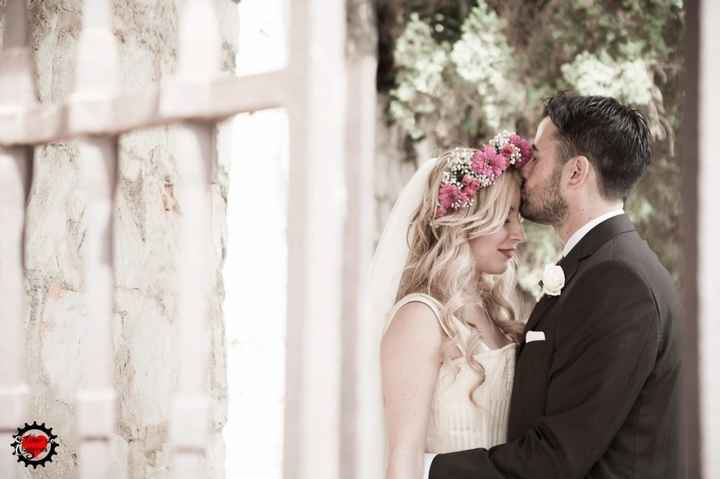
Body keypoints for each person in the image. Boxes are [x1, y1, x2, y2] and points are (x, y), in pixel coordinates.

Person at [424, 95, 682, 478]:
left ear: (576, 172)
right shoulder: (601, 266)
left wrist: (427, 468)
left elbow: (556, 457)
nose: (524, 167)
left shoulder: (617, 281)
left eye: (537, 157)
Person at [372, 132, 533, 479]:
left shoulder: (495, 314)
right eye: (505, 218)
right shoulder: (420, 317)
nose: (519, 233)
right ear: (465, 224)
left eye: (518, 218)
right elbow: (404, 457)